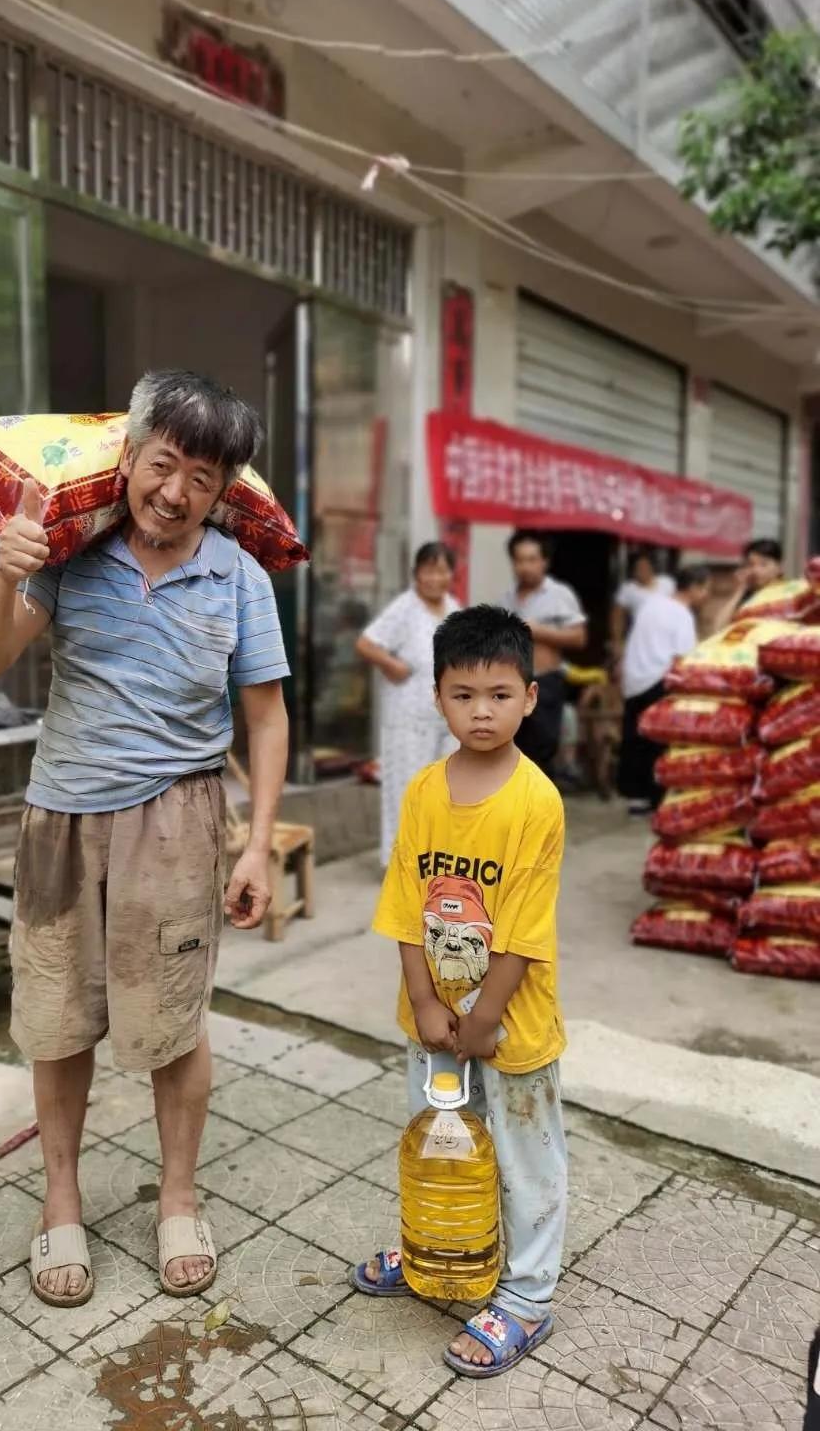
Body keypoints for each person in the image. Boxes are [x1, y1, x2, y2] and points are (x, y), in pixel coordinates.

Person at [0, 370, 290, 1308]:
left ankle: (177, 1198)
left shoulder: (239, 578)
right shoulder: (69, 550)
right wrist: (6, 570)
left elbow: (267, 719)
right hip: (61, 818)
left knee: (174, 1022)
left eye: (202, 478)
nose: (176, 493)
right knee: (56, 1019)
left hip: (181, 823)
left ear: (224, 490)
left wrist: (258, 845)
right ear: (132, 455)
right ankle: (60, 1200)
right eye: (164, 464)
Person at [352, 605, 567, 1380]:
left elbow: (522, 931)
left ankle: (527, 1296)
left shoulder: (536, 803)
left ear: (530, 698)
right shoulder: (422, 791)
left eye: (500, 694)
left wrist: (484, 1017)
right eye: (464, 694)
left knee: (524, 1157)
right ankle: (439, 1253)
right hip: (435, 1019)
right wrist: (424, 1001)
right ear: (437, 697)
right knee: (444, 1144)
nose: (482, 711)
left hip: (510, 1024)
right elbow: (405, 905)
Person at [356, 543, 461, 865]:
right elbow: (366, 644)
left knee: (445, 793)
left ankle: (435, 863)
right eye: (428, 570)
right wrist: (392, 665)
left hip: (447, 719)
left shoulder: (454, 609)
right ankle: (401, 866)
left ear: (451, 575)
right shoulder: (405, 607)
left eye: (441, 571)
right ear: (416, 574)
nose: (434, 578)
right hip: (407, 720)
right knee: (407, 792)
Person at [618, 565, 710, 814]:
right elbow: (684, 658)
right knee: (659, 742)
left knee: (635, 739)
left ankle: (635, 798)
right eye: (705, 590)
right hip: (660, 679)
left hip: (635, 679)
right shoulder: (682, 614)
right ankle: (656, 798)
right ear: (694, 588)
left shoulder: (652, 603)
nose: (706, 597)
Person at [499, 532, 586, 778]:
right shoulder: (507, 598)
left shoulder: (559, 595)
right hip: (511, 684)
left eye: (531, 559)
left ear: (544, 562)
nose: (525, 567)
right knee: (511, 752)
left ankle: (540, 800)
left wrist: (539, 631)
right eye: (519, 560)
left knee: (541, 753)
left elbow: (579, 637)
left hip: (545, 683)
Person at [609, 550, 674, 661]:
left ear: (652, 567)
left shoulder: (667, 583)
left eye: (645, 566)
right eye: (639, 567)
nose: (643, 570)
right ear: (633, 570)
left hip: (668, 637)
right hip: (642, 639)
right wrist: (617, 642)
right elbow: (617, 617)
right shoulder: (628, 589)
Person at [713, 537, 784, 630]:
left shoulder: (788, 595)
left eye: (763, 564)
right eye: (751, 564)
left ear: (779, 567)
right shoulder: (747, 597)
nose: (756, 570)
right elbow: (718, 627)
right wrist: (740, 589)